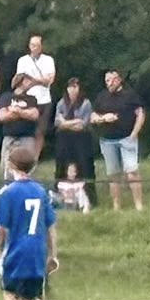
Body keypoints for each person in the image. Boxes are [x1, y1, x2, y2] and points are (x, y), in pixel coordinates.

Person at [0, 140, 64, 300]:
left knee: (11, 294)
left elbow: (1, 228)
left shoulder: (8, 193)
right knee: (28, 297)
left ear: (11, 165)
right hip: (37, 251)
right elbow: (50, 226)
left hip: (16, 251)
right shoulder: (41, 192)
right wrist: (53, 254)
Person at [93, 68, 146, 211]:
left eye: (111, 80)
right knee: (113, 174)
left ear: (119, 80)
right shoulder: (102, 96)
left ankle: (139, 205)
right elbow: (93, 116)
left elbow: (140, 114)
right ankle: (116, 206)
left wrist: (134, 133)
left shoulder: (130, 96)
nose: (109, 83)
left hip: (127, 138)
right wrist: (103, 118)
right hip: (107, 140)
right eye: (106, 81)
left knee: (132, 172)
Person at [51, 77, 97, 211]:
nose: (72, 89)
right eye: (70, 87)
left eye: (75, 87)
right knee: (61, 165)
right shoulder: (61, 102)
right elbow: (57, 122)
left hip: (82, 139)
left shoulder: (86, 103)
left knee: (84, 165)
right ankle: (59, 198)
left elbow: (83, 124)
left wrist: (66, 123)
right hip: (64, 138)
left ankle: (88, 198)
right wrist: (73, 122)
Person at [15, 34, 56, 132]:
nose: (35, 48)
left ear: (41, 46)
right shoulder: (22, 60)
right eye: (33, 45)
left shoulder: (48, 60)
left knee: (41, 131)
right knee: (28, 130)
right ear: (29, 46)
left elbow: (50, 80)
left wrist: (32, 80)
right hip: (28, 99)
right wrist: (40, 80)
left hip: (44, 99)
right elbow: (21, 81)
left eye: (37, 45)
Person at [0, 83, 42, 165]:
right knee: (6, 164)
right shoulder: (6, 97)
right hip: (9, 136)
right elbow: (2, 116)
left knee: (27, 164)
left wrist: (17, 111)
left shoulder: (31, 98)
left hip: (27, 136)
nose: (30, 84)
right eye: (27, 81)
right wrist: (25, 113)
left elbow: (34, 115)